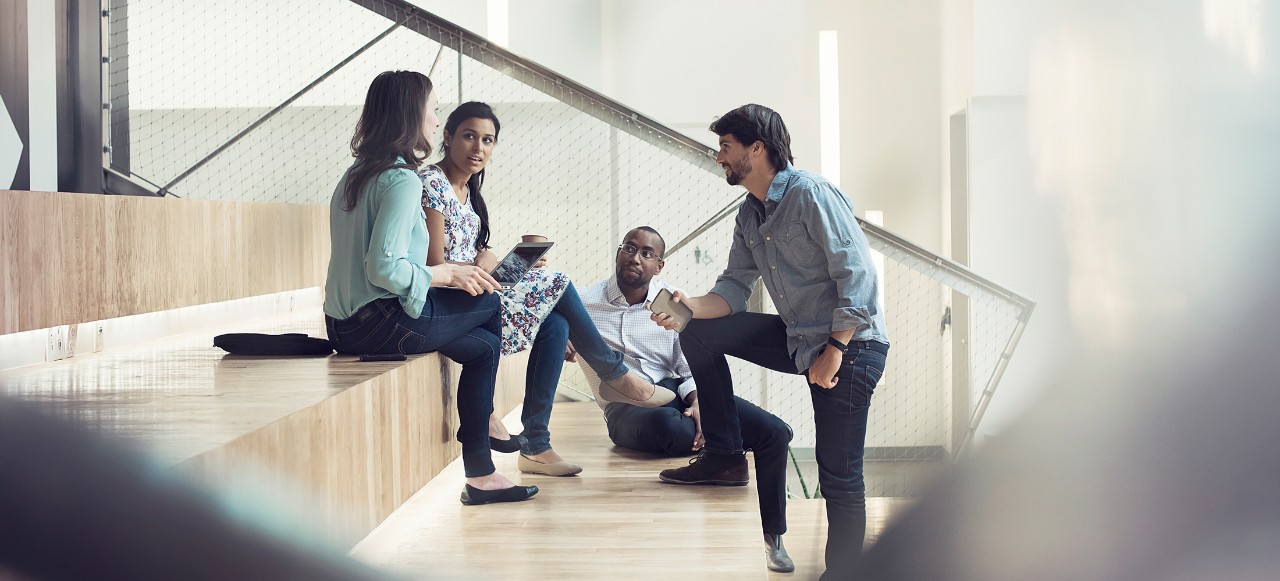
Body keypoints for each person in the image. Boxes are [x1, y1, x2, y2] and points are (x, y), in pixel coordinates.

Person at [651, 104, 889, 580]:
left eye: (726, 147)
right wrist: (687, 304)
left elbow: (859, 277)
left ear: (756, 149)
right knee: (695, 330)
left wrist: (836, 351)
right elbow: (734, 290)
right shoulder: (749, 213)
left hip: (852, 346)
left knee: (839, 476)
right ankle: (724, 454)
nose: (718, 156)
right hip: (801, 338)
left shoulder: (811, 194)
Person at [419, 101, 673, 477]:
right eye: (469, 136)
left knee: (556, 323)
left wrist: (513, 265)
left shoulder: (468, 192)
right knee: (559, 282)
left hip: (474, 293)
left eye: (488, 140)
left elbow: (473, 256)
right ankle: (616, 376)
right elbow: (435, 264)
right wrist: (485, 265)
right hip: (445, 302)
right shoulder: (432, 183)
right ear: (448, 137)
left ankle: (536, 445)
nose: (478, 148)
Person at [322, 71, 534, 506]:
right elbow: (383, 268)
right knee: (491, 301)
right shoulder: (402, 180)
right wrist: (446, 275)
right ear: (410, 114)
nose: (436, 121)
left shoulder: (355, 174)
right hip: (380, 324)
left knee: (482, 348)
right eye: (433, 110)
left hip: (341, 326)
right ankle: (485, 434)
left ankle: (482, 473)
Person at [578, 226, 797, 573]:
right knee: (671, 426)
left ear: (659, 266)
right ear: (619, 252)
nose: (635, 257)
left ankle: (773, 538)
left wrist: (697, 402)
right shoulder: (584, 303)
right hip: (626, 408)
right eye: (629, 248)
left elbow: (686, 366)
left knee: (775, 431)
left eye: (647, 253)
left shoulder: (669, 308)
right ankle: (721, 456)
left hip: (676, 393)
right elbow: (551, 333)